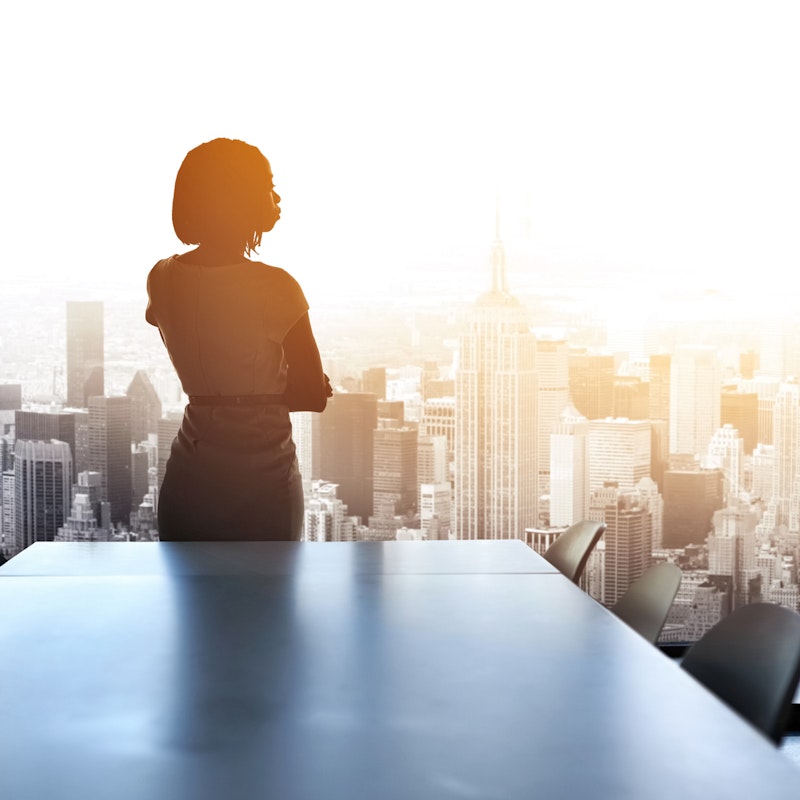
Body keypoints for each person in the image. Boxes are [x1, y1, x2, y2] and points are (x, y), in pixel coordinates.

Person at [146, 137, 330, 541]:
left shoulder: (161, 277)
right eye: (267, 184)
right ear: (238, 196)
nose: (277, 196)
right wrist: (273, 385)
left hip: (189, 475)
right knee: (267, 600)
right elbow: (313, 395)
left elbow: (184, 343)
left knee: (192, 601)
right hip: (263, 479)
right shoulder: (276, 287)